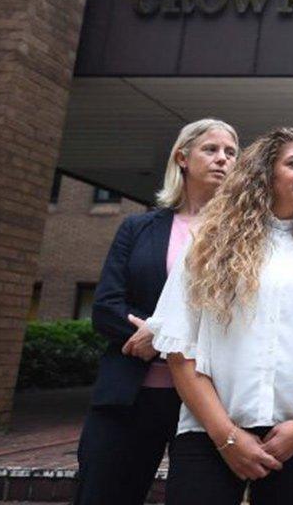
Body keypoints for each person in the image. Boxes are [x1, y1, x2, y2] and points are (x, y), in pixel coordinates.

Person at [146, 127, 293, 505]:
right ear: (264, 174)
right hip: (209, 432)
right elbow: (180, 349)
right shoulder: (207, 247)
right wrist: (227, 437)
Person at [75, 118, 238, 505]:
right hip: (128, 396)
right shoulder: (138, 227)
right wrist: (158, 337)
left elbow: (236, 318)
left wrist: (161, 336)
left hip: (203, 402)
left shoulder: (240, 237)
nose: (222, 160)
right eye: (211, 150)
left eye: (231, 153)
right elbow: (106, 307)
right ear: (182, 158)